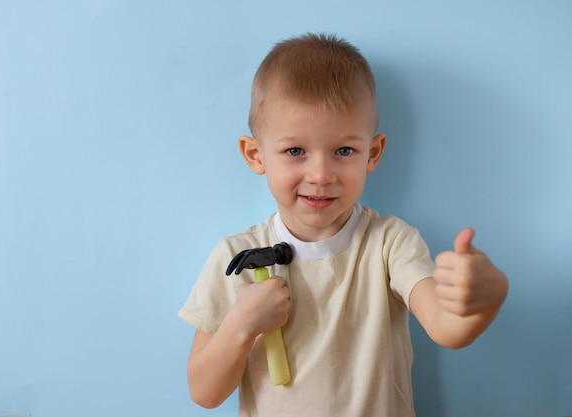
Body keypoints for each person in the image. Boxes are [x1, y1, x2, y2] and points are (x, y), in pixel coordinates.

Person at [178, 33, 508, 417]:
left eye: (344, 151)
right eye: (295, 151)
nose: (320, 174)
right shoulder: (234, 257)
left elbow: (446, 327)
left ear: (373, 152)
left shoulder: (390, 244)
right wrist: (240, 326)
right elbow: (204, 392)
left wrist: (485, 300)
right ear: (256, 154)